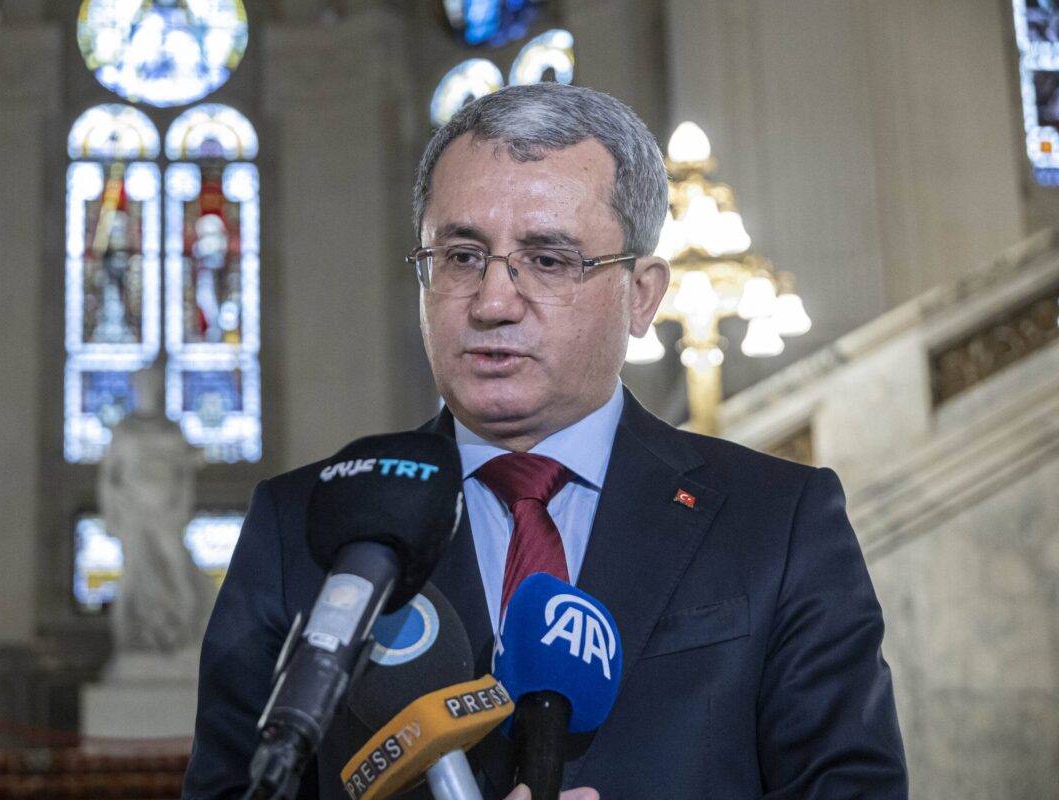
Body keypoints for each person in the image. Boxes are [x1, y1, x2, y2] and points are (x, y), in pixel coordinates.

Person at [183, 83, 908, 799]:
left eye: (550, 259)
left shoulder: (778, 520)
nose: (494, 303)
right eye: (462, 256)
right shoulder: (302, 524)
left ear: (644, 294)